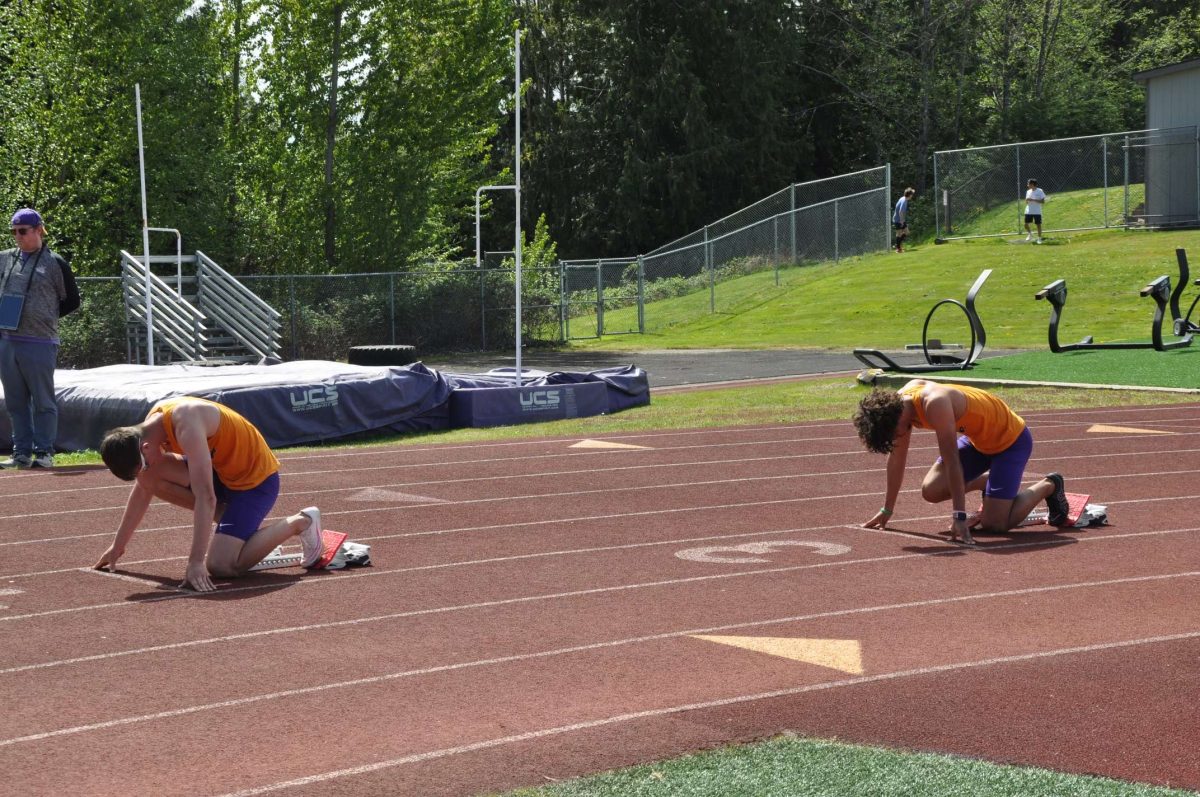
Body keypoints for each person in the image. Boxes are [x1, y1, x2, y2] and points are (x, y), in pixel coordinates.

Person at [95, 396, 325, 592]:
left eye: (144, 464)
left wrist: (195, 562)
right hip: (223, 474)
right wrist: (118, 545)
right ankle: (244, 537)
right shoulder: (150, 428)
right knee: (149, 478)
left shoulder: (186, 424)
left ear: (145, 448)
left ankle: (301, 522)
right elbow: (144, 488)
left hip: (254, 483)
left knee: (221, 566)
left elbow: (206, 496)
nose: (147, 468)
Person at [853, 380, 1069, 545]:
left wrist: (959, 515)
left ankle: (1049, 485)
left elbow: (952, 462)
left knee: (996, 525)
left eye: (893, 434)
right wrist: (887, 510)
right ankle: (988, 483)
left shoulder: (934, 403)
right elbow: (897, 459)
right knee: (931, 490)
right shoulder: (897, 407)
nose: (896, 438)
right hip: (977, 441)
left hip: (1010, 441)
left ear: (896, 418)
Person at [0, 208, 80, 469]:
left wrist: (46, 317)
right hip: (8, 340)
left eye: (22, 231)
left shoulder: (54, 262)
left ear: (38, 230)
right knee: (14, 401)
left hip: (40, 342)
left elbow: (72, 300)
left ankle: (44, 451)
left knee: (43, 401)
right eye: (14, 232)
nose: (17, 236)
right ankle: (21, 453)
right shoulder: (5, 259)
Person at [892, 187, 915, 252]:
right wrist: (901, 221)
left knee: (907, 232)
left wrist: (902, 220)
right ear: (910, 195)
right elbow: (900, 211)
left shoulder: (903, 198)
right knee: (899, 234)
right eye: (912, 194)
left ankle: (897, 245)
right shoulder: (904, 201)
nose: (912, 195)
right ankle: (898, 249)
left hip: (901, 219)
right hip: (898, 220)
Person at [1024, 178, 1046, 243]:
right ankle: (1030, 234)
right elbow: (1026, 202)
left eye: (1029, 184)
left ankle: (1039, 239)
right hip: (1028, 211)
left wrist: (1033, 200)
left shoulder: (1040, 191)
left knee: (1038, 225)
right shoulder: (1028, 191)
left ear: (1033, 184)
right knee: (1025, 224)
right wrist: (1027, 200)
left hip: (1037, 211)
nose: (1028, 185)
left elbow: (1043, 201)